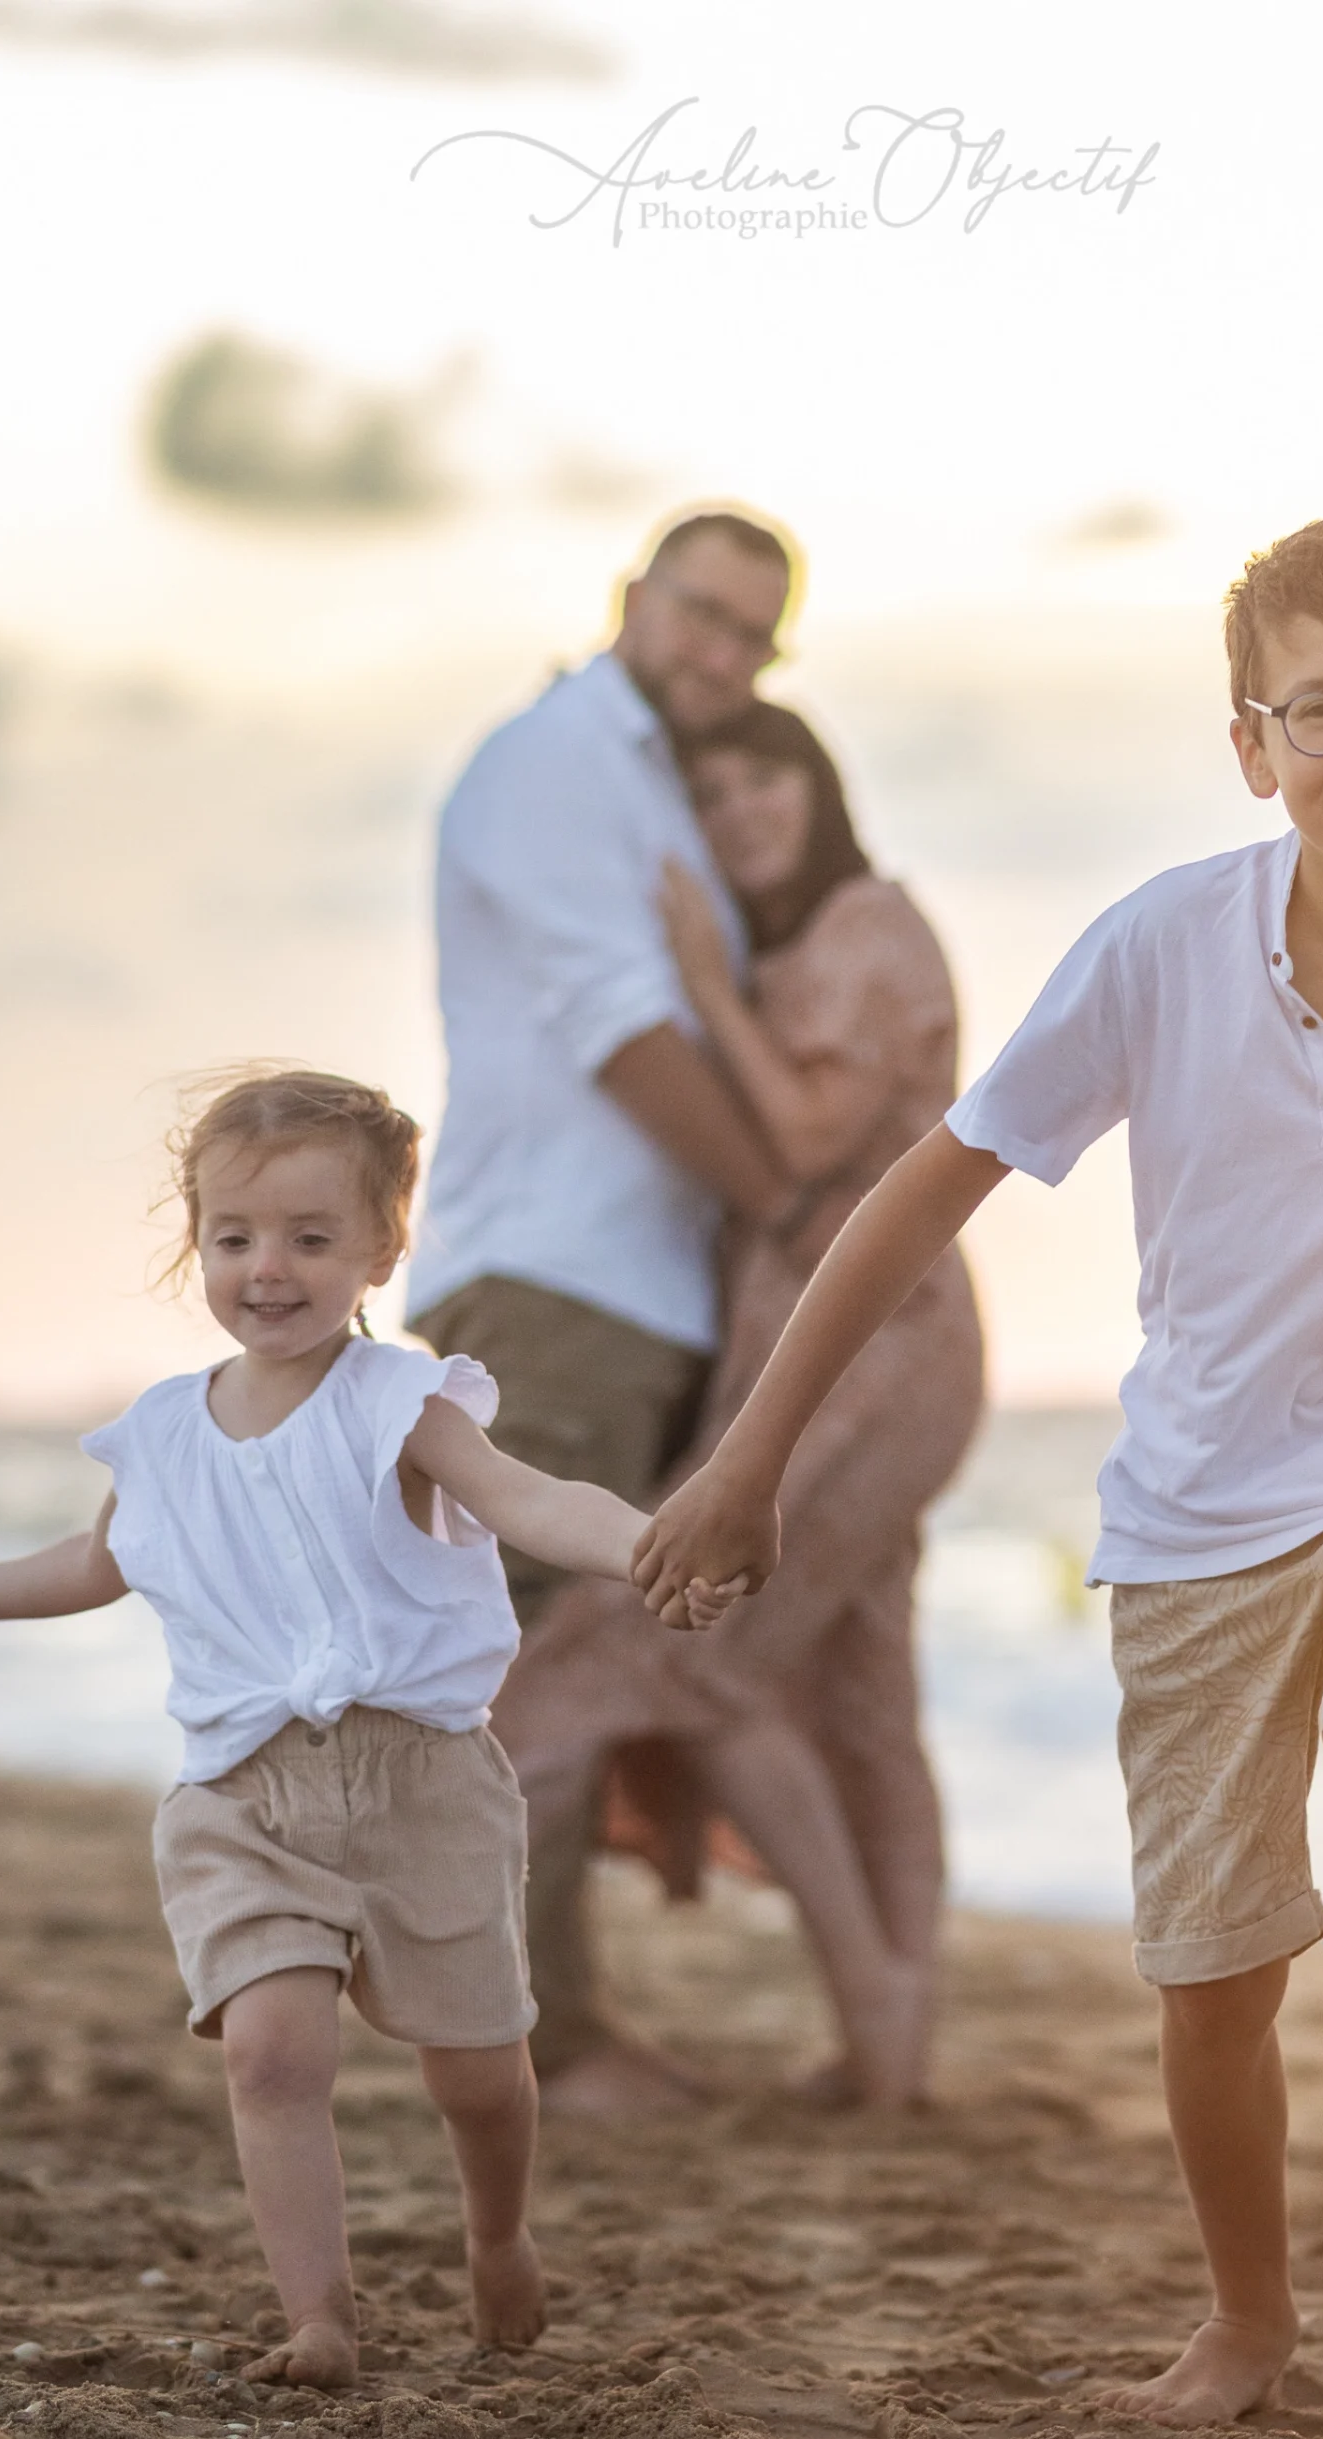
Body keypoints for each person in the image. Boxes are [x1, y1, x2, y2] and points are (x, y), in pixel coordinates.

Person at [632, 510, 1323, 2424]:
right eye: (1318, 712)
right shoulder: (1157, 948)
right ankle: (1250, 2323)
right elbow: (928, 1185)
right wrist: (754, 1455)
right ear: (1250, 745)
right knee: (1213, 1985)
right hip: (1196, 1491)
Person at [0, 1070, 733, 2392]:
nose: (266, 1269)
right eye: (235, 1238)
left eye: (309, 1238)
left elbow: (530, 1499)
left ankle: (498, 2233)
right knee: (275, 2055)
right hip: (241, 1793)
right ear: (197, 1241)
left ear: (382, 1251)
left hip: (424, 1785)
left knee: (479, 2073)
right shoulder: (165, 1431)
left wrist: (650, 1548)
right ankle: (319, 2318)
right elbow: (102, 1561)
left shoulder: (400, 1403)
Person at [489, 702, 983, 2111]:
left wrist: (701, 981)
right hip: (831, 1340)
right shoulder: (804, 950)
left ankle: (885, 2007)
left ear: (817, 787)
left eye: (762, 777)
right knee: (861, 1688)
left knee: (697, 1658)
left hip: (876, 1345)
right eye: (705, 794)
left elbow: (817, 1136)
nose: (737, 810)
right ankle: (894, 2054)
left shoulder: (865, 928)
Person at [407, 508, 811, 2119]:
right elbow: (624, 1034)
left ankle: (528, 2019)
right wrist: (789, 1211)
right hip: (558, 1275)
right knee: (511, 1670)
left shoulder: (656, 777)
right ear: (633, 597)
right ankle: (541, 2045)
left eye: (753, 637)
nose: (723, 653)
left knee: (551, 1659)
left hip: (624, 1284)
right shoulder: (563, 757)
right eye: (703, 614)